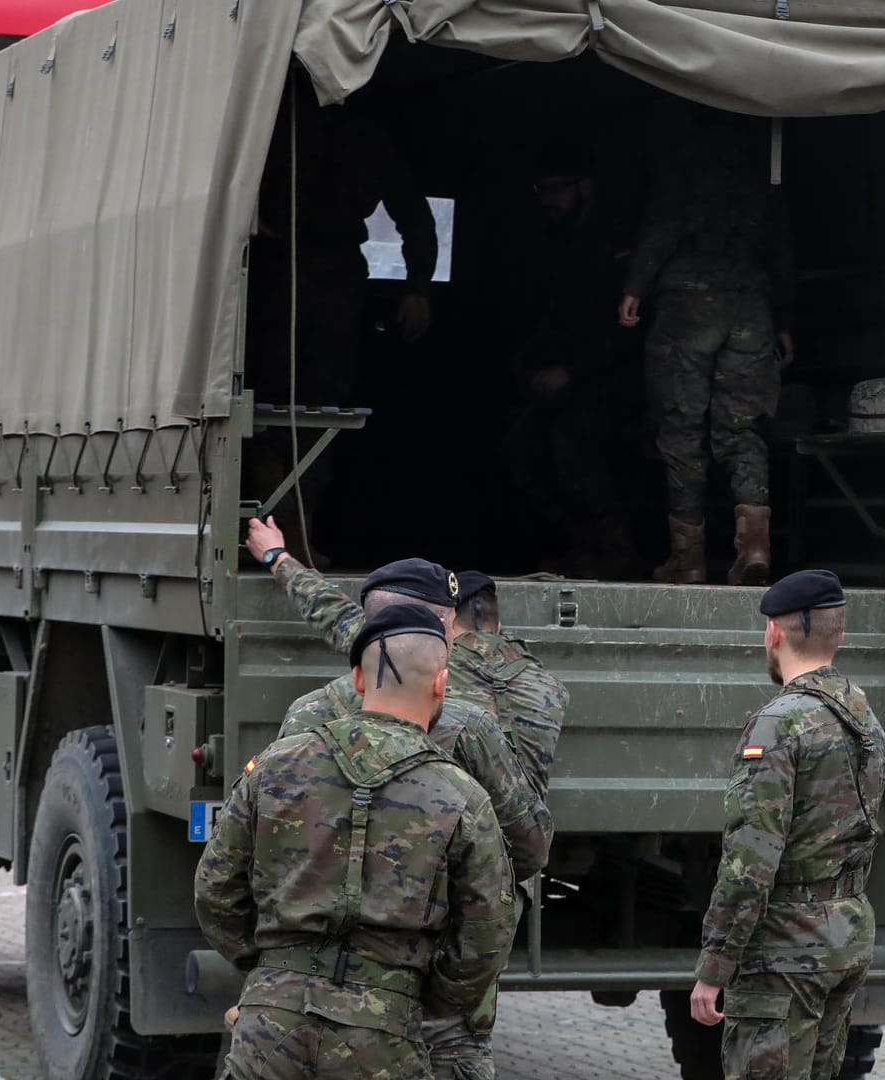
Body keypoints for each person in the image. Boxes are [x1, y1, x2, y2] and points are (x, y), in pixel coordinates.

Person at [245, 523, 551, 1079]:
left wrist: (270, 972)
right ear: (442, 626)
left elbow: (238, 868)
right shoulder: (483, 711)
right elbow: (522, 855)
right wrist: (448, 994)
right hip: (425, 993)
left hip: (295, 998)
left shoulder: (308, 716)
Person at [196, 605, 516, 1080]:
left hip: (269, 1024)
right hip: (385, 1035)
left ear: (358, 681)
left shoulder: (274, 765)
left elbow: (215, 891)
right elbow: (487, 935)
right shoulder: (462, 797)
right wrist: (413, 995)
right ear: (441, 684)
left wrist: (272, 968)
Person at [688, 570, 885, 1080]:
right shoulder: (863, 716)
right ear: (839, 634)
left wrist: (715, 968)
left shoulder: (780, 723)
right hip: (845, 933)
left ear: (773, 634)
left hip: (785, 950)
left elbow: (750, 861)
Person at [243, 75, 437, 566]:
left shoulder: (288, 121)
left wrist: (418, 286)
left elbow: (413, 214)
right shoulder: (288, 121)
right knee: (290, 408)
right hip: (288, 270)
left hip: (306, 274)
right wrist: (417, 287)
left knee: (301, 409)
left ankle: (290, 534)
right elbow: (414, 215)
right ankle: (284, 533)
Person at [618, 109, 797, 586]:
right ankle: (754, 549)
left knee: (681, 430)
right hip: (751, 310)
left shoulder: (682, 163)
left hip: (687, 309)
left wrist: (636, 284)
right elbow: (781, 251)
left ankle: (688, 560)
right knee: (743, 428)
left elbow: (661, 225)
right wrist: (784, 322)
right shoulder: (761, 169)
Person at [503, 142, 643, 578]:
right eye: (542, 190)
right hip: (568, 377)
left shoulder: (617, 240)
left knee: (574, 439)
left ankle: (616, 550)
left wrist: (573, 371)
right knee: (521, 446)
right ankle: (581, 544)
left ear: (585, 188)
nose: (549, 201)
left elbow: (626, 331)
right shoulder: (555, 242)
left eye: (558, 190)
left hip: (617, 378)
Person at [445, 571, 569, 800]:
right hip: (529, 829)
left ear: (449, 620)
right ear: (499, 625)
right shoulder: (551, 686)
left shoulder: (437, 672)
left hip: (461, 824)